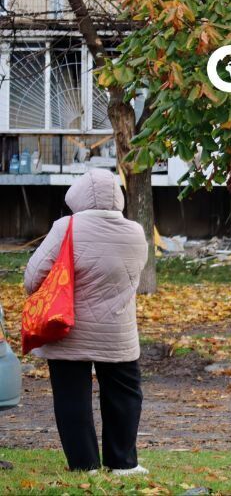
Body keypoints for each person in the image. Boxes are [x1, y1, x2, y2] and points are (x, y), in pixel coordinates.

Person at [23, 169, 149, 475]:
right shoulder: (135, 231)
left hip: (67, 328)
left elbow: (33, 277)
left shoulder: (66, 227)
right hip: (118, 331)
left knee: (72, 397)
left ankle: (84, 465)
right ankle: (123, 463)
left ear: (77, 196)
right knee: (124, 394)